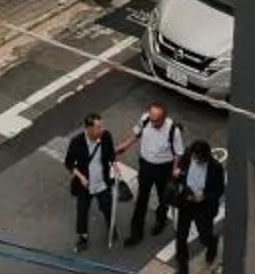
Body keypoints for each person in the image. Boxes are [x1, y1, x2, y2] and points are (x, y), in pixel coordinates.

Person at [129, 97, 184, 242]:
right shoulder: (145, 119)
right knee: (142, 198)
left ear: (164, 118)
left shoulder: (173, 130)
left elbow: (178, 153)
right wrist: (124, 146)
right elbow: (137, 133)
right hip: (146, 165)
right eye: (151, 118)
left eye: (156, 120)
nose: (152, 123)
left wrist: (174, 172)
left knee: (163, 198)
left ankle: (161, 221)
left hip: (163, 168)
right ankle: (136, 232)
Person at [172, 138, 226, 274]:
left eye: (198, 158)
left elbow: (219, 190)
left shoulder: (215, 167)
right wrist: (177, 174)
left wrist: (204, 196)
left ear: (205, 156)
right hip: (186, 203)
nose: (195, 159)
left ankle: (212, 243)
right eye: (194, 156)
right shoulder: (189, 155)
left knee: (204, 236)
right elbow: (181, 171)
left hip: (203, 208)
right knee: (181, 237)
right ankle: (182, 270)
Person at [64, 113, 119, 250]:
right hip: (85, 184)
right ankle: (83, 237)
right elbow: (69, 163)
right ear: (88, 129)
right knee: (82, 211)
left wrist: (115, 165)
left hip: (102, 181)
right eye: (98, 128)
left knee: (107, 207)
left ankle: (111, 227)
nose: (101, 130)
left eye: (101, 126)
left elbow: (111, 154)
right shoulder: (77, 142)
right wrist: (80, 176)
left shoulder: (106, 137)